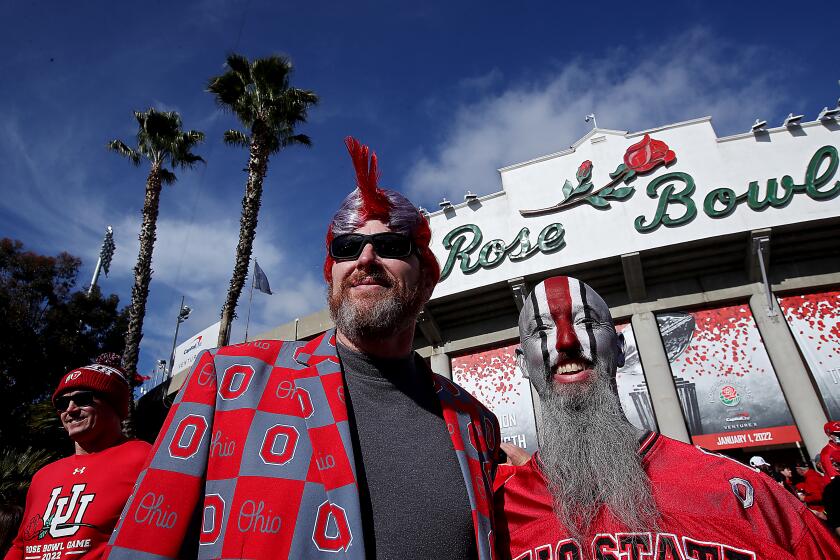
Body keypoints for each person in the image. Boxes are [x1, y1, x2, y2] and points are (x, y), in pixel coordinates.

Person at [105, 138, 500, 559]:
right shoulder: (230, 382)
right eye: (346, 248)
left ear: (426, 280)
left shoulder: (475, 422)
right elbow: (143, 542)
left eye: (391, 246)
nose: (366, 257)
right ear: (332, 276)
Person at [494, 275, 840, 559]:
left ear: (619, 348)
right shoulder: (497, 514)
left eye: (587, 322)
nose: (566, 341)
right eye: (542, 331)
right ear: (524, 363)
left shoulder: (737, 490)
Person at [5, 358, 151, 559]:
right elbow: (21, 545)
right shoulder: (42, 476)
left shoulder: (145, 458)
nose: (70, 410)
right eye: (62, 403)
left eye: (83, 399)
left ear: (114, 404)